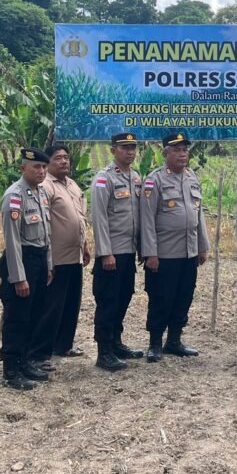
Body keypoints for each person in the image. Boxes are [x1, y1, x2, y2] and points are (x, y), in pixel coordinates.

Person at [140, 131, 210, 362]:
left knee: (184, 297)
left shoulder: (191, 177)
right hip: (164, 252)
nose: (183, 154)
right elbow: (147, 220)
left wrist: (202, 246)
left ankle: (174, 340)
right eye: (177, 150)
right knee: (161, 298)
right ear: (165, 153)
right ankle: (155, 344)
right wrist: (150, 253)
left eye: (185, 150)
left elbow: (198, 215)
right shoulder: (155, 180)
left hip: (189, 251)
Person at [29, 142, 91, 368]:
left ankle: (64, 344)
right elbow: (43, 223)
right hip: (56, 257)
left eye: (66, 157)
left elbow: (80, 217)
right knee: (51, 306)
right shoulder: (45, 186)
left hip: (74, 255)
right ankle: (41, 353)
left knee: (71, 304)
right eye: (58, 158)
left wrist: (84, 245)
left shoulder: (72, 185)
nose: (64, 161)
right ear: (47, 163)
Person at [0, 147, 54, 390]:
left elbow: (47, 234)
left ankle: (26, 360)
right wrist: (18, 277)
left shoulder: (40, 194)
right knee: (18, 316)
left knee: (34, 314)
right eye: (36, 167)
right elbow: (12, 241)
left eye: (43, 167)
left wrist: (49, 265)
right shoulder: (15, 196)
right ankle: (11, 368)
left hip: (39, 260)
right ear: (23, 168)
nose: (41, 171)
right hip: (22, 261)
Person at [90, 132, 145, 372]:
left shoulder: (135, 177)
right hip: (111, 253)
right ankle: (104, 352)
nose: (130, 152)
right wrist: (105, 253)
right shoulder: (104, 179)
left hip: (128, 251)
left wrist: (142, 247)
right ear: (113, 150)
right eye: (124, 148)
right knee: (108, 302)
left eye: (132, 147)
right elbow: (99, 218)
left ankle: (116, 342)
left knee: (124, 298)